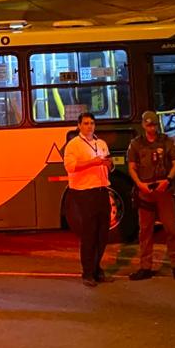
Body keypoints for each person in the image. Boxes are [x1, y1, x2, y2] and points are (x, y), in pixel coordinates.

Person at [126, 110, 175, 281]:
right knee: (145, 231)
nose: (152, 128)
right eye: (149, 124)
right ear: (143, 125)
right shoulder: (136, 144)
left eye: (154, 125)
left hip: (163, 189)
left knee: (171, 229)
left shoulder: (166, 141)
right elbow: (131, 167)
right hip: (145, 191)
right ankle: (145, 266)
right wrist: (139, 184)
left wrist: (168, 179)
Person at [62, 112, 113, 287]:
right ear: (79, 126)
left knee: (103, 233)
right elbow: (70, 167)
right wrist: (93, 162)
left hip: (101, 189)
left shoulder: (101, 143)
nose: (89, 126)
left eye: (92, 123)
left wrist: (108, 164)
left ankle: (98, 268)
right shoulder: (73, 145)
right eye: (85, 123)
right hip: (83, 192)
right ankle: (88, 273)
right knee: (89, 233)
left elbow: (107, 163)